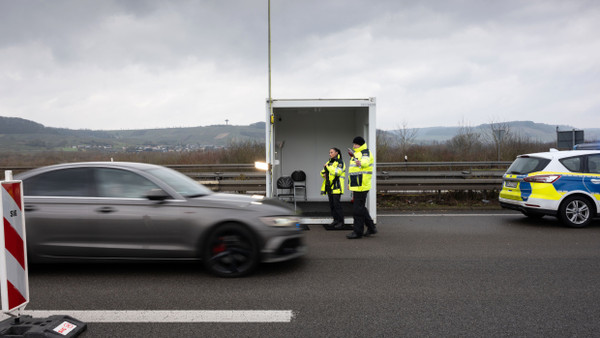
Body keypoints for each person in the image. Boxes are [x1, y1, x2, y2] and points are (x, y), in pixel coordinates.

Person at [346, 136, 377, 239]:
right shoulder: (356, 154)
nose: (354, 145)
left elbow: (365, 161)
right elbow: (352, 171)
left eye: (356, 144)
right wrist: (349, 183)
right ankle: (371, 228)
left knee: (357, 209)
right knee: (360, 208)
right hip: (357, 185)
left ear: (360, 144)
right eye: (354, 144)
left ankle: (358, 232)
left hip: (362, 185)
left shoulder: (365, 152)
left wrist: (360, 162)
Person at [320, 147, 345, 229]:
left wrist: (328, 167)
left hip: (337, 187)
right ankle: (335, 220)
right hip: (329, 187)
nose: (330, 154)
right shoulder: (329, 162)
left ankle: (341, 222)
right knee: (332, 205)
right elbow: (322, 171)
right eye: (329, 152)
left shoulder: (340, 162)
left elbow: (337, 172)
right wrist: (324, 173)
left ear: (336, 153)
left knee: (337, 205)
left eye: (331, 152)